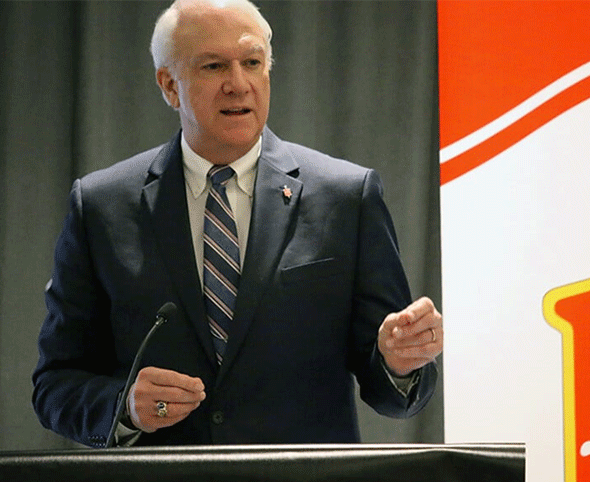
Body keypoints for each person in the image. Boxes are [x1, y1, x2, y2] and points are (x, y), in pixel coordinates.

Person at [32, 0, 443, 448]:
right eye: (213, 66)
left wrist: (398, 361)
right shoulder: (100, 206)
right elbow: (56, 382)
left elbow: (392, 391)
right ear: (170, 85)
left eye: (252, 62)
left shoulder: (347, 197)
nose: (238, 84)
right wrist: (125, 406)